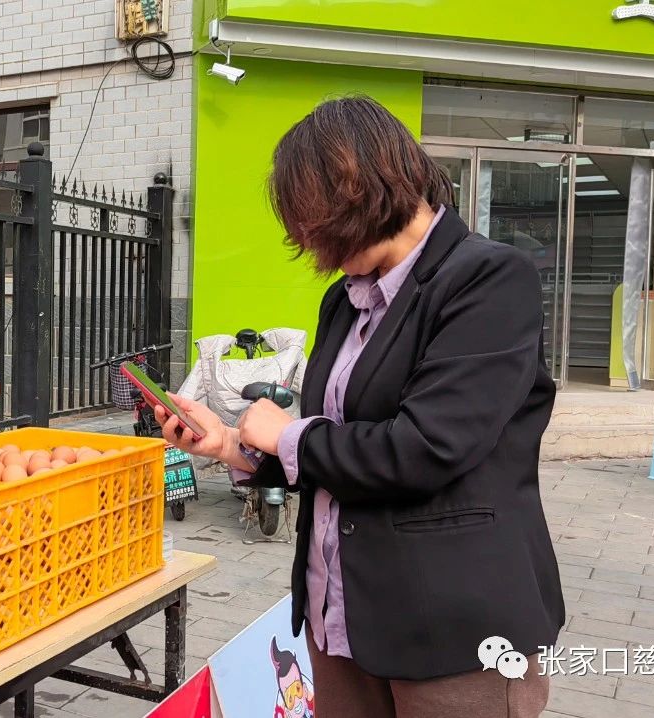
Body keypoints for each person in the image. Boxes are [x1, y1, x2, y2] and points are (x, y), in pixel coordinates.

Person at [156, 97, 564, 717]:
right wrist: (232, 445)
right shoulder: (345, 300)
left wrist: (287, 435)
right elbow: (340, 443)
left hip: (452, 629)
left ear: (365, 188)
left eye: (317, 222)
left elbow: (426, 447)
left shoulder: (487, 278)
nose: (311, 243)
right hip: (341, 617)